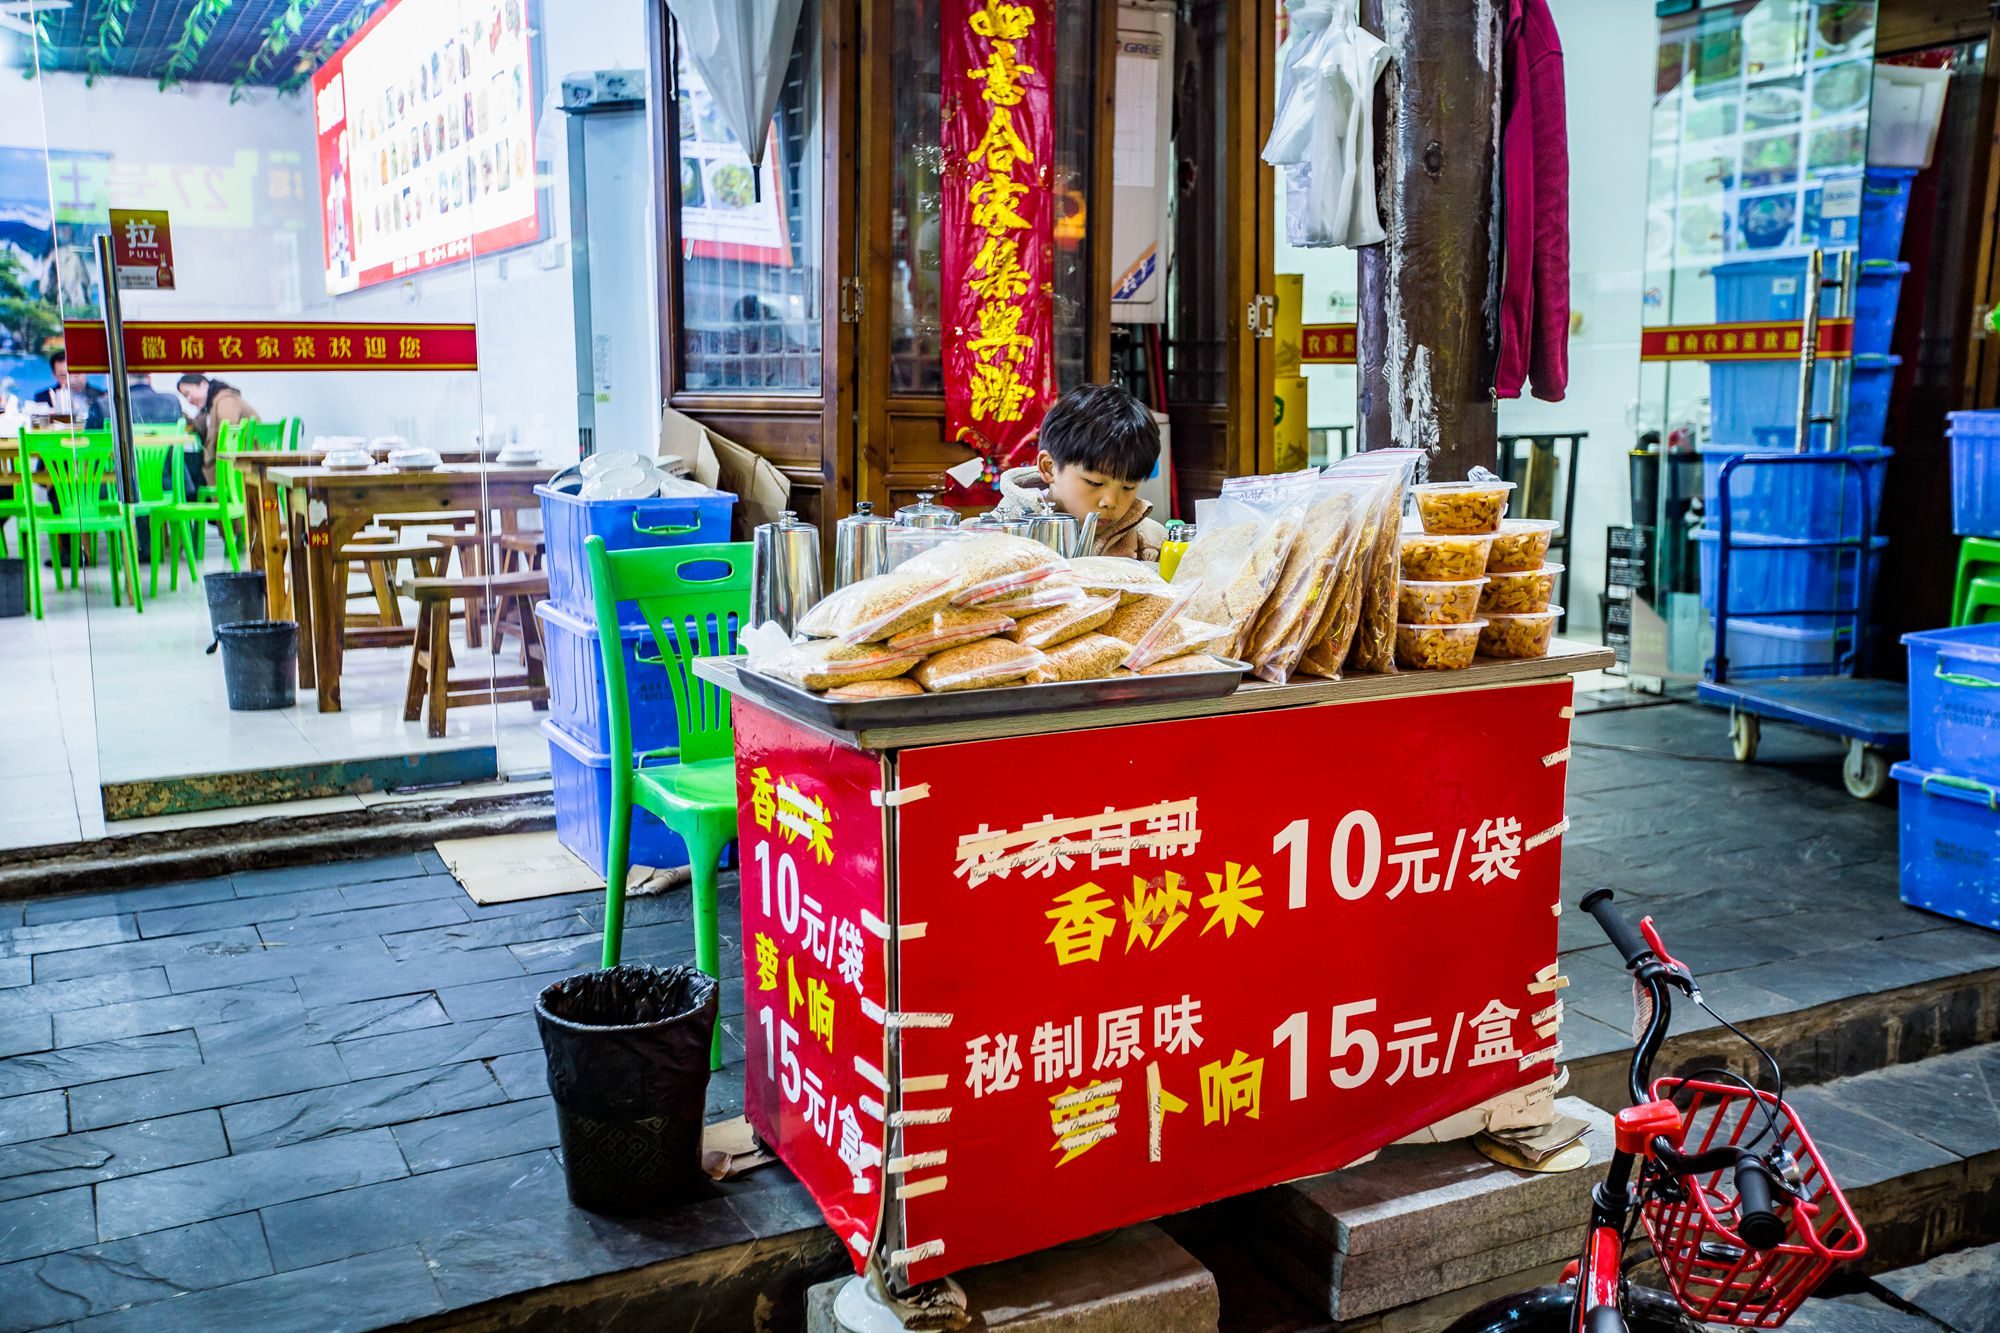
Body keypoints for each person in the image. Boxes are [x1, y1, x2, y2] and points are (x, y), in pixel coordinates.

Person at [995, 383, 1168, 561]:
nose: (1109, 502)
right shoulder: (1002, 534)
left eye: (1128, 487)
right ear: (1049, 467)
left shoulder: (1151, 540)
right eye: (1095, 483)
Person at [176, 373, 259, 485]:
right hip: (239, 464)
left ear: (203, 384)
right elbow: (203, 425)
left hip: (238, 469)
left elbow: (229, 432)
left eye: (188, 393)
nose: (189, 400)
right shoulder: (212, 405)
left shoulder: (225, 400)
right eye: (185, 397)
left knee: (185, 469)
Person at [30, 350, 103, 423]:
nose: (72, 380)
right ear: (54, 375)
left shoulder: (101, 397)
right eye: (64, 376)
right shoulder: (43, 399)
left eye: (76, 373)